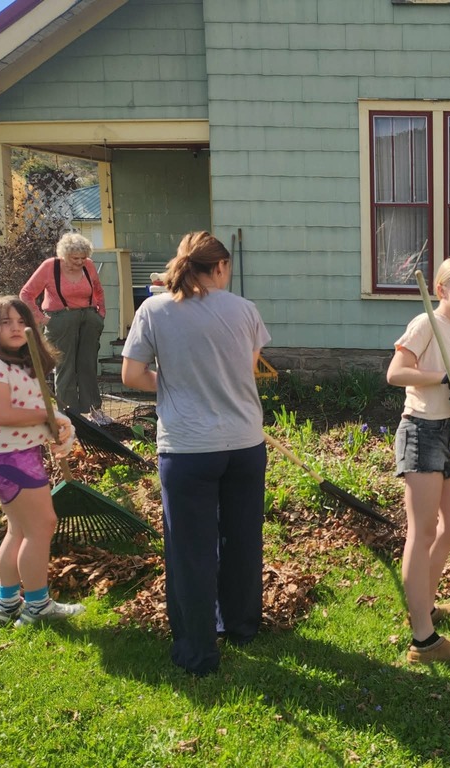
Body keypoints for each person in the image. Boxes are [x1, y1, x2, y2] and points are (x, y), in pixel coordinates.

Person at [121, 231, 270, 675]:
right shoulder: (245, 311)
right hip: (244, 443)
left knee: (191, 550)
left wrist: (171, 383)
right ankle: (241, 625)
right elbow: (245, 371)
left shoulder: (154, 309)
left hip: (187, 449)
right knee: (242, 539)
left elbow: (131, 374)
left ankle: (197, 650)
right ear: (220, 266)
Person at [386, 257, 450, 664]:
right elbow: (396, 373)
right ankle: (424, 640)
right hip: (421, 430)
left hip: (448, 434)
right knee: (422, 531)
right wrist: (440, 378)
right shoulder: (426, 322)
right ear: (440, 289)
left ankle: (424, 601)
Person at [0, 296, 83, 629]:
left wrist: (52, 424)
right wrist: (46, 416)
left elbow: (26, 412)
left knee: (19, 529)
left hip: (15, 455)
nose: (14, 328)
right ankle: (38, 605)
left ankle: (7, 605)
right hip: (9, 458)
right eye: (4, 322)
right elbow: (3, 414)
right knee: (42, 525)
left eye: (20, 321)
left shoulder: (18, 364)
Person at [20, 232, 111, 425]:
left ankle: (94, 410)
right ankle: (69, 415)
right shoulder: (50, 267)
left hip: (88, 318)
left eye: (83, 258)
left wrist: (100, 313)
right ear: (63, 255)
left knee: (88, 364)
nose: (79, 262)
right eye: (74, 258)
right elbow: (26, 294)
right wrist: (43, 320)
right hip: (60, 319)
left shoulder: (89, 266)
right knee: (65, 367)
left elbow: (98, 290)